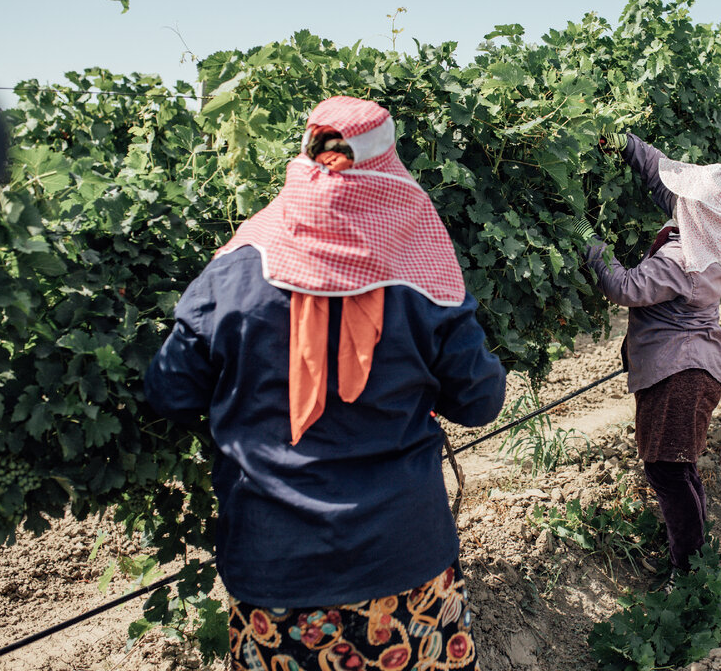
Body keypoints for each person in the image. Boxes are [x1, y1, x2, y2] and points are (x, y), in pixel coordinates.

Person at [146, 96, 505, 670]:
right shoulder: (424, 270)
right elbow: (481, 400)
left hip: (275, 564)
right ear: (389, 167)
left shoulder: (236, 268)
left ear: (306, 156)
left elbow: (169, 391)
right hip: (403, 563)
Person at [564, 131, 721, 576]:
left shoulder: (683, 258)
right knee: (677, 467)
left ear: (695, 211)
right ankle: (694, 556)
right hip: (687, 367)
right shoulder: (708, 236)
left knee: (667, 471)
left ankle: (689, 569)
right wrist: (625, 141)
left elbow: (623, 286)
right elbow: (659, 177)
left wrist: (587, 238)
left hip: (681, 373)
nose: (678, 198)